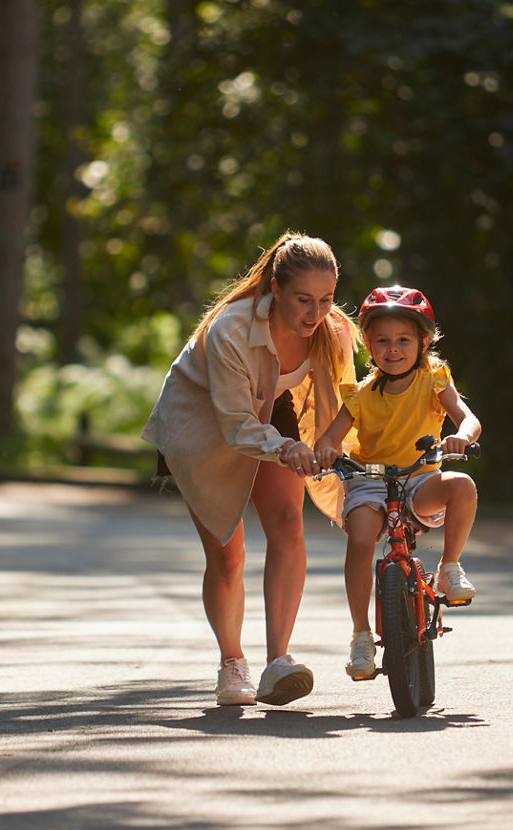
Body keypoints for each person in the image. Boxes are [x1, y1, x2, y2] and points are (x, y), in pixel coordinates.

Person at [142, 232, 359, 706]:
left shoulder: (333, 330)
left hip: (269, 409)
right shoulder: (232, 330)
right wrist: (286, 449)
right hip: (203, 420)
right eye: (303, 299)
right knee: (227, 553)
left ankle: (278, 662)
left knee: (287, 523)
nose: (315, 313)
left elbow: (349, 401)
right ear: (275, 290)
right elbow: (237, 425)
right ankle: (231, 665)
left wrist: (330, 445)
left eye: (325, 300)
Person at [313, 285, 481, 681]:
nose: (393, 349)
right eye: (382, 340)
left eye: (404, 340)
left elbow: (468, 418)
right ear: (368, 345)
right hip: (371, 483)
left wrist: (462, 437)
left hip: (420, 478)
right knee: (359, 540)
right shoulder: (359, 395)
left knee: (463, 486)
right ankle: (360, 636)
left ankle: (449, 568)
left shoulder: (434, 381)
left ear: (424, 341)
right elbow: (330, 438)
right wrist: (324, 451)